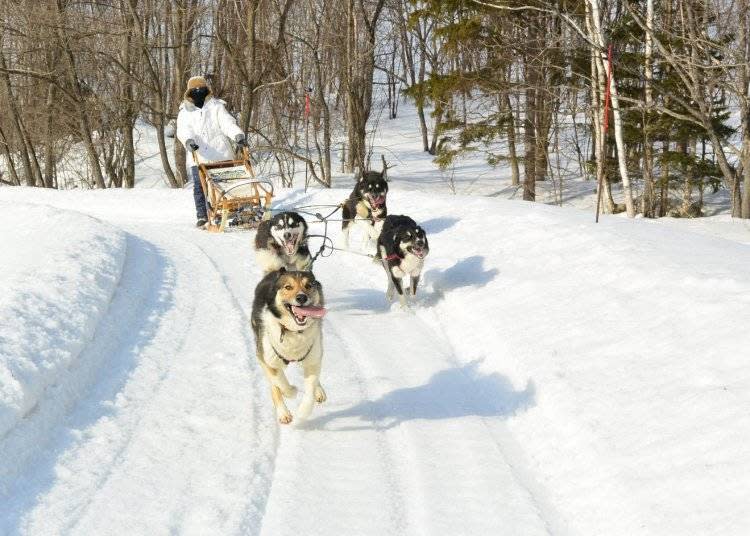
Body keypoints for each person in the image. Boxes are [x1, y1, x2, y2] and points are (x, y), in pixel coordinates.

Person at [176, 76, 248, 227]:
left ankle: (235, 208)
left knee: (229, 183)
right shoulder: (184, 112)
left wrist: (238, 135)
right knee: (200, 187)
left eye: (201, 89)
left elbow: (227, 123)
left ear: (206, 90)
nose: (198, 92)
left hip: (221, 154)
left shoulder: (216, 106)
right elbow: (183, 130)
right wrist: (189, 141)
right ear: (189, 92)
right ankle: (202, 215)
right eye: (195, 90)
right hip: (199, 156)